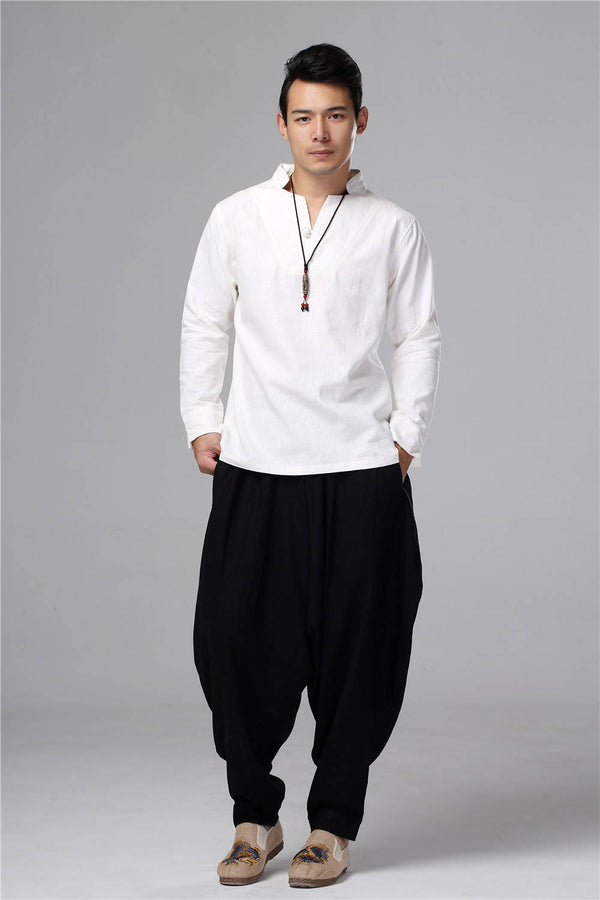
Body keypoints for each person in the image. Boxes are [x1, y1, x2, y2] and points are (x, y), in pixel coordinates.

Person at [179, 42, 441, 889]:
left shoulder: (393, 226)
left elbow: (417, 335)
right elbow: (205, 321)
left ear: (359, 121)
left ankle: (333, 826)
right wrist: (203, 419)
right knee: (233, 644)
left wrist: (407, 434)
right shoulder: (236, 217)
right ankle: (254, 818)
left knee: (362, 650)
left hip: (361, 469)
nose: (319, 132)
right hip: (257, 464)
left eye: (335, 115)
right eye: (304, 116)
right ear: (282, 124)